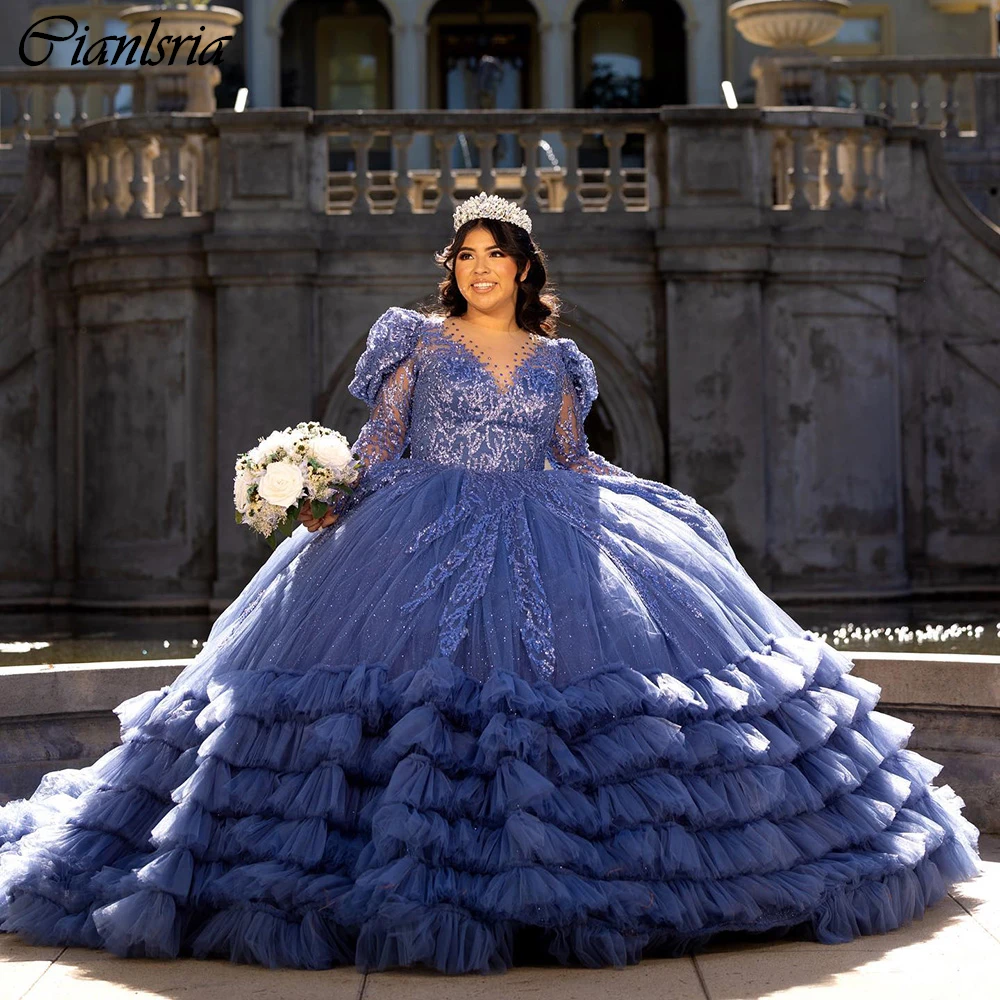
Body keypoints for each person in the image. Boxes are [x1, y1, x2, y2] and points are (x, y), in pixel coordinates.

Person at [0, 193, 983, 975]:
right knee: (395, 700)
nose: (478, 269)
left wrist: (650, 498)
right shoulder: (413, 341)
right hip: (416, 522)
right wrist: (320, 486)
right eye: (463, 255)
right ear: (453, 270)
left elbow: (570, 456)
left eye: (494, 254)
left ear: (521, 268)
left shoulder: (560, 358)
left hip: (542, 518)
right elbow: (383, 440)